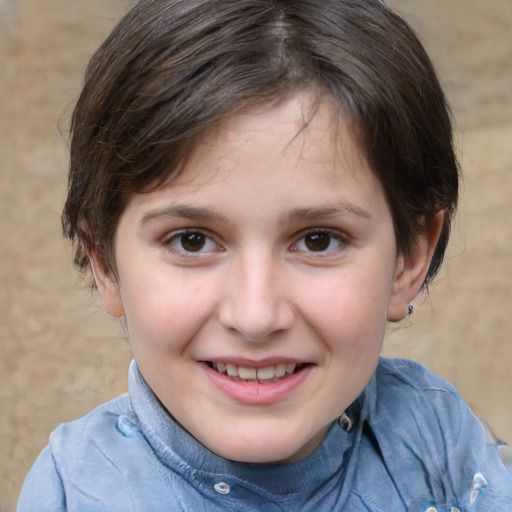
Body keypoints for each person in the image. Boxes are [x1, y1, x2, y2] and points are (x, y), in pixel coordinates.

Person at [17, 0, 512, 510]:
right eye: (192, 240)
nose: (255, 316)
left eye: (318, 240)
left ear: (409, 256)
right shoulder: (73, 492)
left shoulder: (438, 439)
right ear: (105, 263)